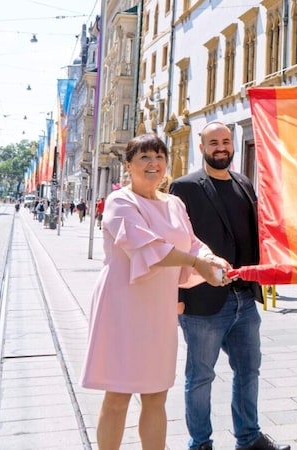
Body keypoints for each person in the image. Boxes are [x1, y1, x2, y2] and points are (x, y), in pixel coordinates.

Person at [80, 134, 229, 449]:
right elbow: (148, 247)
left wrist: (209, 259)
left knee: (156, 393)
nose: (153, 164)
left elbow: (190, 243)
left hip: (158, 311)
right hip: (122, 307)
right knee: (118, 393)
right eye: (144, 157)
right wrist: (195, 262)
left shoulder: (174, 203)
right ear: (129, 164)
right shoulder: (121, 201)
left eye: (159, 156)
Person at [169, 122, 290, 450]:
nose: (221, 147)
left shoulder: (244, 183)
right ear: (202, 146)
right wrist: (178, 296)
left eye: (225, 141)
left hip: (243, 299)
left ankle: (249, 438)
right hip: (203, 301)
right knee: (201, 378)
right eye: (214, 143)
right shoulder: (185, 187)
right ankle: (200, 443)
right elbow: (177, 243)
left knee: (249, 371)